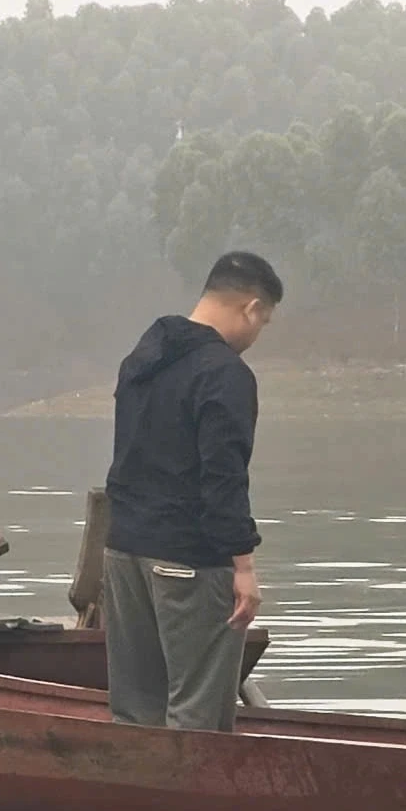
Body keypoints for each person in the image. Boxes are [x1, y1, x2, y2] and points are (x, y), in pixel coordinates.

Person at [100, 251, 280, 730]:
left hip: (124, 554)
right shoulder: (224, 373)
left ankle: (140, 802)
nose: (257, 336)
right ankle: (188, 801)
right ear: (251, 307)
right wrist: (243, 566)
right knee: (197, 714)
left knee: (136, 712)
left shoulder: (142, 358)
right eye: (263, 322)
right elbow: (224, 476)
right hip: (189, 560)